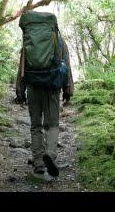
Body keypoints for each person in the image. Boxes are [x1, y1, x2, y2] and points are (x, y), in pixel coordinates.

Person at [15, 20, 74, 179]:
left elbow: (22, 67)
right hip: (53, 88)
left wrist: (20, 90)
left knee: (36, 126)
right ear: (54, 27)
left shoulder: (29, 42)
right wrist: (68, 90)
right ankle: (50, 154)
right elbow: (66, 66)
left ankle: (39, 164)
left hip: (34, 87)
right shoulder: (60, 42)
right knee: (52, 124)